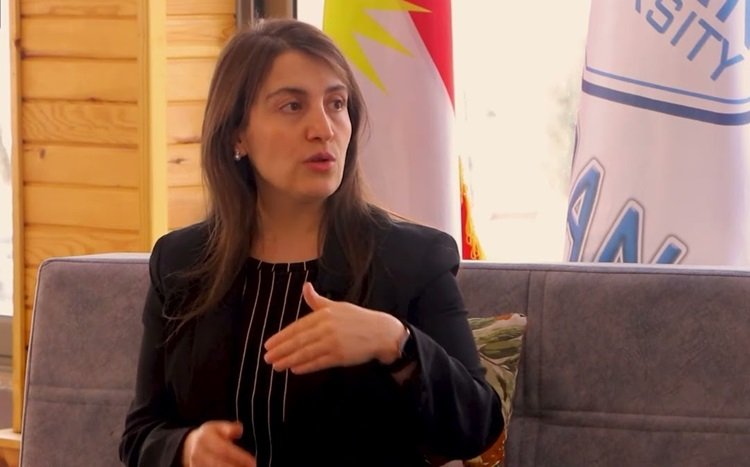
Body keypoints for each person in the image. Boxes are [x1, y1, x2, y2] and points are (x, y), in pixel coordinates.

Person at [119, 18, 503, 467]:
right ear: (238, 134)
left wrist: (396, 342)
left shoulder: (412, 259)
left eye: (336, 104)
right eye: (292, 106)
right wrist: (185, 449)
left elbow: (477, 429)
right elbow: (140, 435)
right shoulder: (180, 262)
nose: (323, 128)